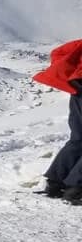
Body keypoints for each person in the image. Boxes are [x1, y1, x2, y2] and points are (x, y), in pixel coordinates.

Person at [33, 38, 82, 203]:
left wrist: (71, 73)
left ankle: (55, 184)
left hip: (77, 88)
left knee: (78, 139)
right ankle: (76, 189)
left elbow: (57, 52)